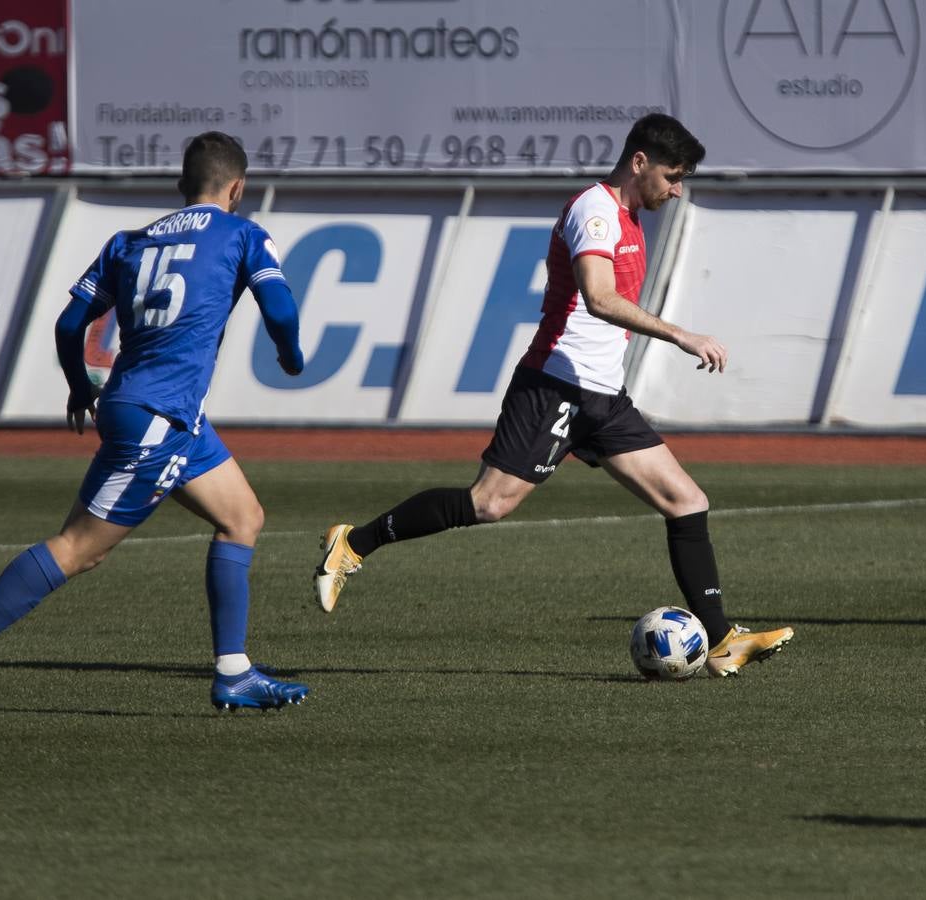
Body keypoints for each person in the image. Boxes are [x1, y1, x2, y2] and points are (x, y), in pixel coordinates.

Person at [314, 114, 793, 677]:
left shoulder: (633, 217)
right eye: (673, 175)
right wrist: (680, 334)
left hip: (602, 397)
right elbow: (597, 297)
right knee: (489, 505)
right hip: (554, 385)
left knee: (687, 501)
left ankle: (720, 640)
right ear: (639, 162)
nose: (677, 189)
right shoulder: (594, 210)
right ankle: (353, 543)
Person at [0, 132, 309, 717]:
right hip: (158, 418)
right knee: (80, 548)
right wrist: (291, 356)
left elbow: (67, 323)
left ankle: (234, 672)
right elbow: (279, 309)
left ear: (183, 187)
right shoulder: (243, 234)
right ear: (238, 187)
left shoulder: (128, 242)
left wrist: (81, 386)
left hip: (163, 413)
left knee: (243, 517)